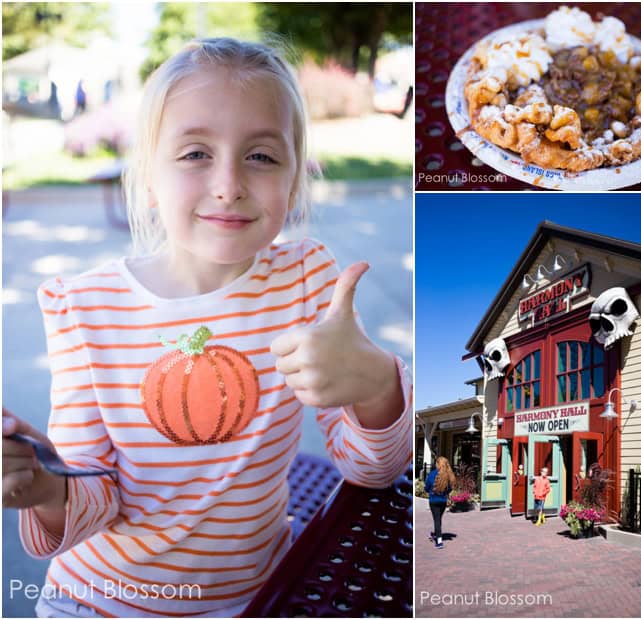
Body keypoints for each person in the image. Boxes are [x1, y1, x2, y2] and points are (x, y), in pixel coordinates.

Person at [2, 37, 412, 618]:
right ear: (147, 176)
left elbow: (374, 470)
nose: (228, 184)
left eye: (262, 156)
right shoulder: (84, 308)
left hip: (255, 595)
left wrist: (376, 385)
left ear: (295, 182)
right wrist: (44, 492)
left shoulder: (306, 280)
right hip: (98, 599)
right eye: (195, 153)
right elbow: (91, 496)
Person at [424, 456, 455, 549]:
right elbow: (450, 489)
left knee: (437, 520)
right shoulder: (448, 475)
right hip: (443, 501)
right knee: (438, 519)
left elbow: (426, 488)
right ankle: (437, 534)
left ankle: (439, 541)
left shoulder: (432, 474)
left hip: (433, 501)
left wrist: (430, 490)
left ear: (438, 464)